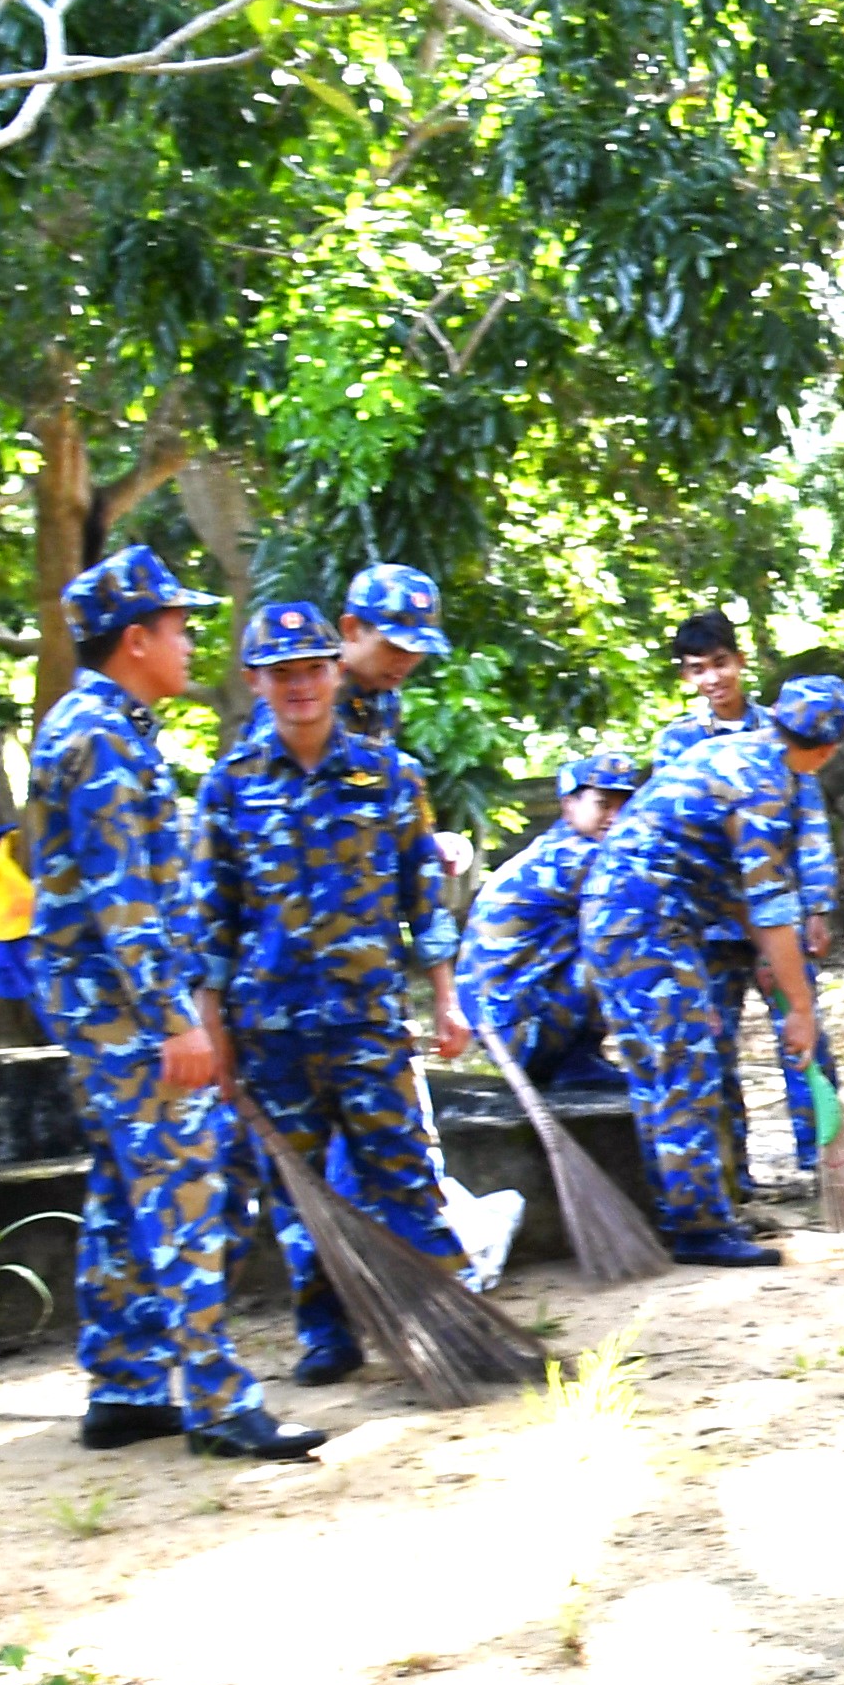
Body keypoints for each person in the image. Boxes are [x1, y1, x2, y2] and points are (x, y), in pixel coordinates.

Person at [27, 549, 319, 1462]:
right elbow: (127, 902)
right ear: (136, 638)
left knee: (123, 1188)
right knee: (187, 1188)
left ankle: (124, 1384)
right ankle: (220, 1403)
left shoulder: (97, 722)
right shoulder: (106, 738)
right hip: (125, 1011)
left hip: (96, 1006)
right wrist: (176, 1019)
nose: (193, 645)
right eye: (182, 628)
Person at [201, 601, 470, 1388]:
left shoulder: (388, 774)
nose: (299, 687)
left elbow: (426, 901)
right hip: (270, 1027)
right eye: (281, 674)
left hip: (368, 1021)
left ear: (332, 673)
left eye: (312, 669)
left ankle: (445, 1320)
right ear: (257, 683)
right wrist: (212, 1030)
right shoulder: (230, 787)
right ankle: (328, 1332)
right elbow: (210, 922)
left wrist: (446, 1001)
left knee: (403, 1174)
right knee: (300, 1192)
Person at [586, 676, 844, 1269]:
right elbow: (773, 907)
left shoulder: (727, 752)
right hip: (646, 922)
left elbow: (732, 889)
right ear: (830, 749)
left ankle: (692, 1210)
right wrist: (800, 1010)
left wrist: (769, 958)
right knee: (685, 1065)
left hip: (625, 916)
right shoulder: (764, 787)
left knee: (666, 1066)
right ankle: (698, 1227)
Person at [656, 608, 842, 1182]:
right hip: (710, 921)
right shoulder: (676, 743)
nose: (712, 678)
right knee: (714, 1042)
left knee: (804, 1035)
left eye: (719, 664)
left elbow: (809, 824)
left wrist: (818, 904)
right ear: (686, 678)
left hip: (778, 914)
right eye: (697, 669)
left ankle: (823, 1159)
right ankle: (733, 1170)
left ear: (738, 663)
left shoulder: (788, 725)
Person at [459, 751, 635, 1093]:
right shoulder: (577, 858)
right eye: (603, 804)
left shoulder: (558, 848)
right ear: (569, 805)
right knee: (627, 943)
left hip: (509, 1025)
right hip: (518, 1033)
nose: (615, 817)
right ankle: (575, 1063)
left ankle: (579, 1057)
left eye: (624, 805)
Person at [337, 562, 445, 748]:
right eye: (396, 647)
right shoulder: (307, 694)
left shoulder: (386, 698)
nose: (408, 660)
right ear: (351, 629)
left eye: (419, 649)